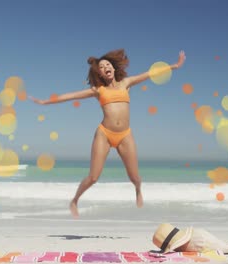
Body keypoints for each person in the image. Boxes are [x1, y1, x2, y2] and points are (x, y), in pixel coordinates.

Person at [28, 49, 186, 218]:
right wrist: (46, 101)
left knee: (135, 177)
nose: (106, 67)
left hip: (125, 135)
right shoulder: (98, 90)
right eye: (102, 67)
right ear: (100, 74)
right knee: (93, 177)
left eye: (108, 64)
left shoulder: (126, 82)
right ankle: (74, 200)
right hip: (104, 134)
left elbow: (150, 73)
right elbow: (72, 96)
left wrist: (174, 66)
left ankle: (138, 190)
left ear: (114, 68)